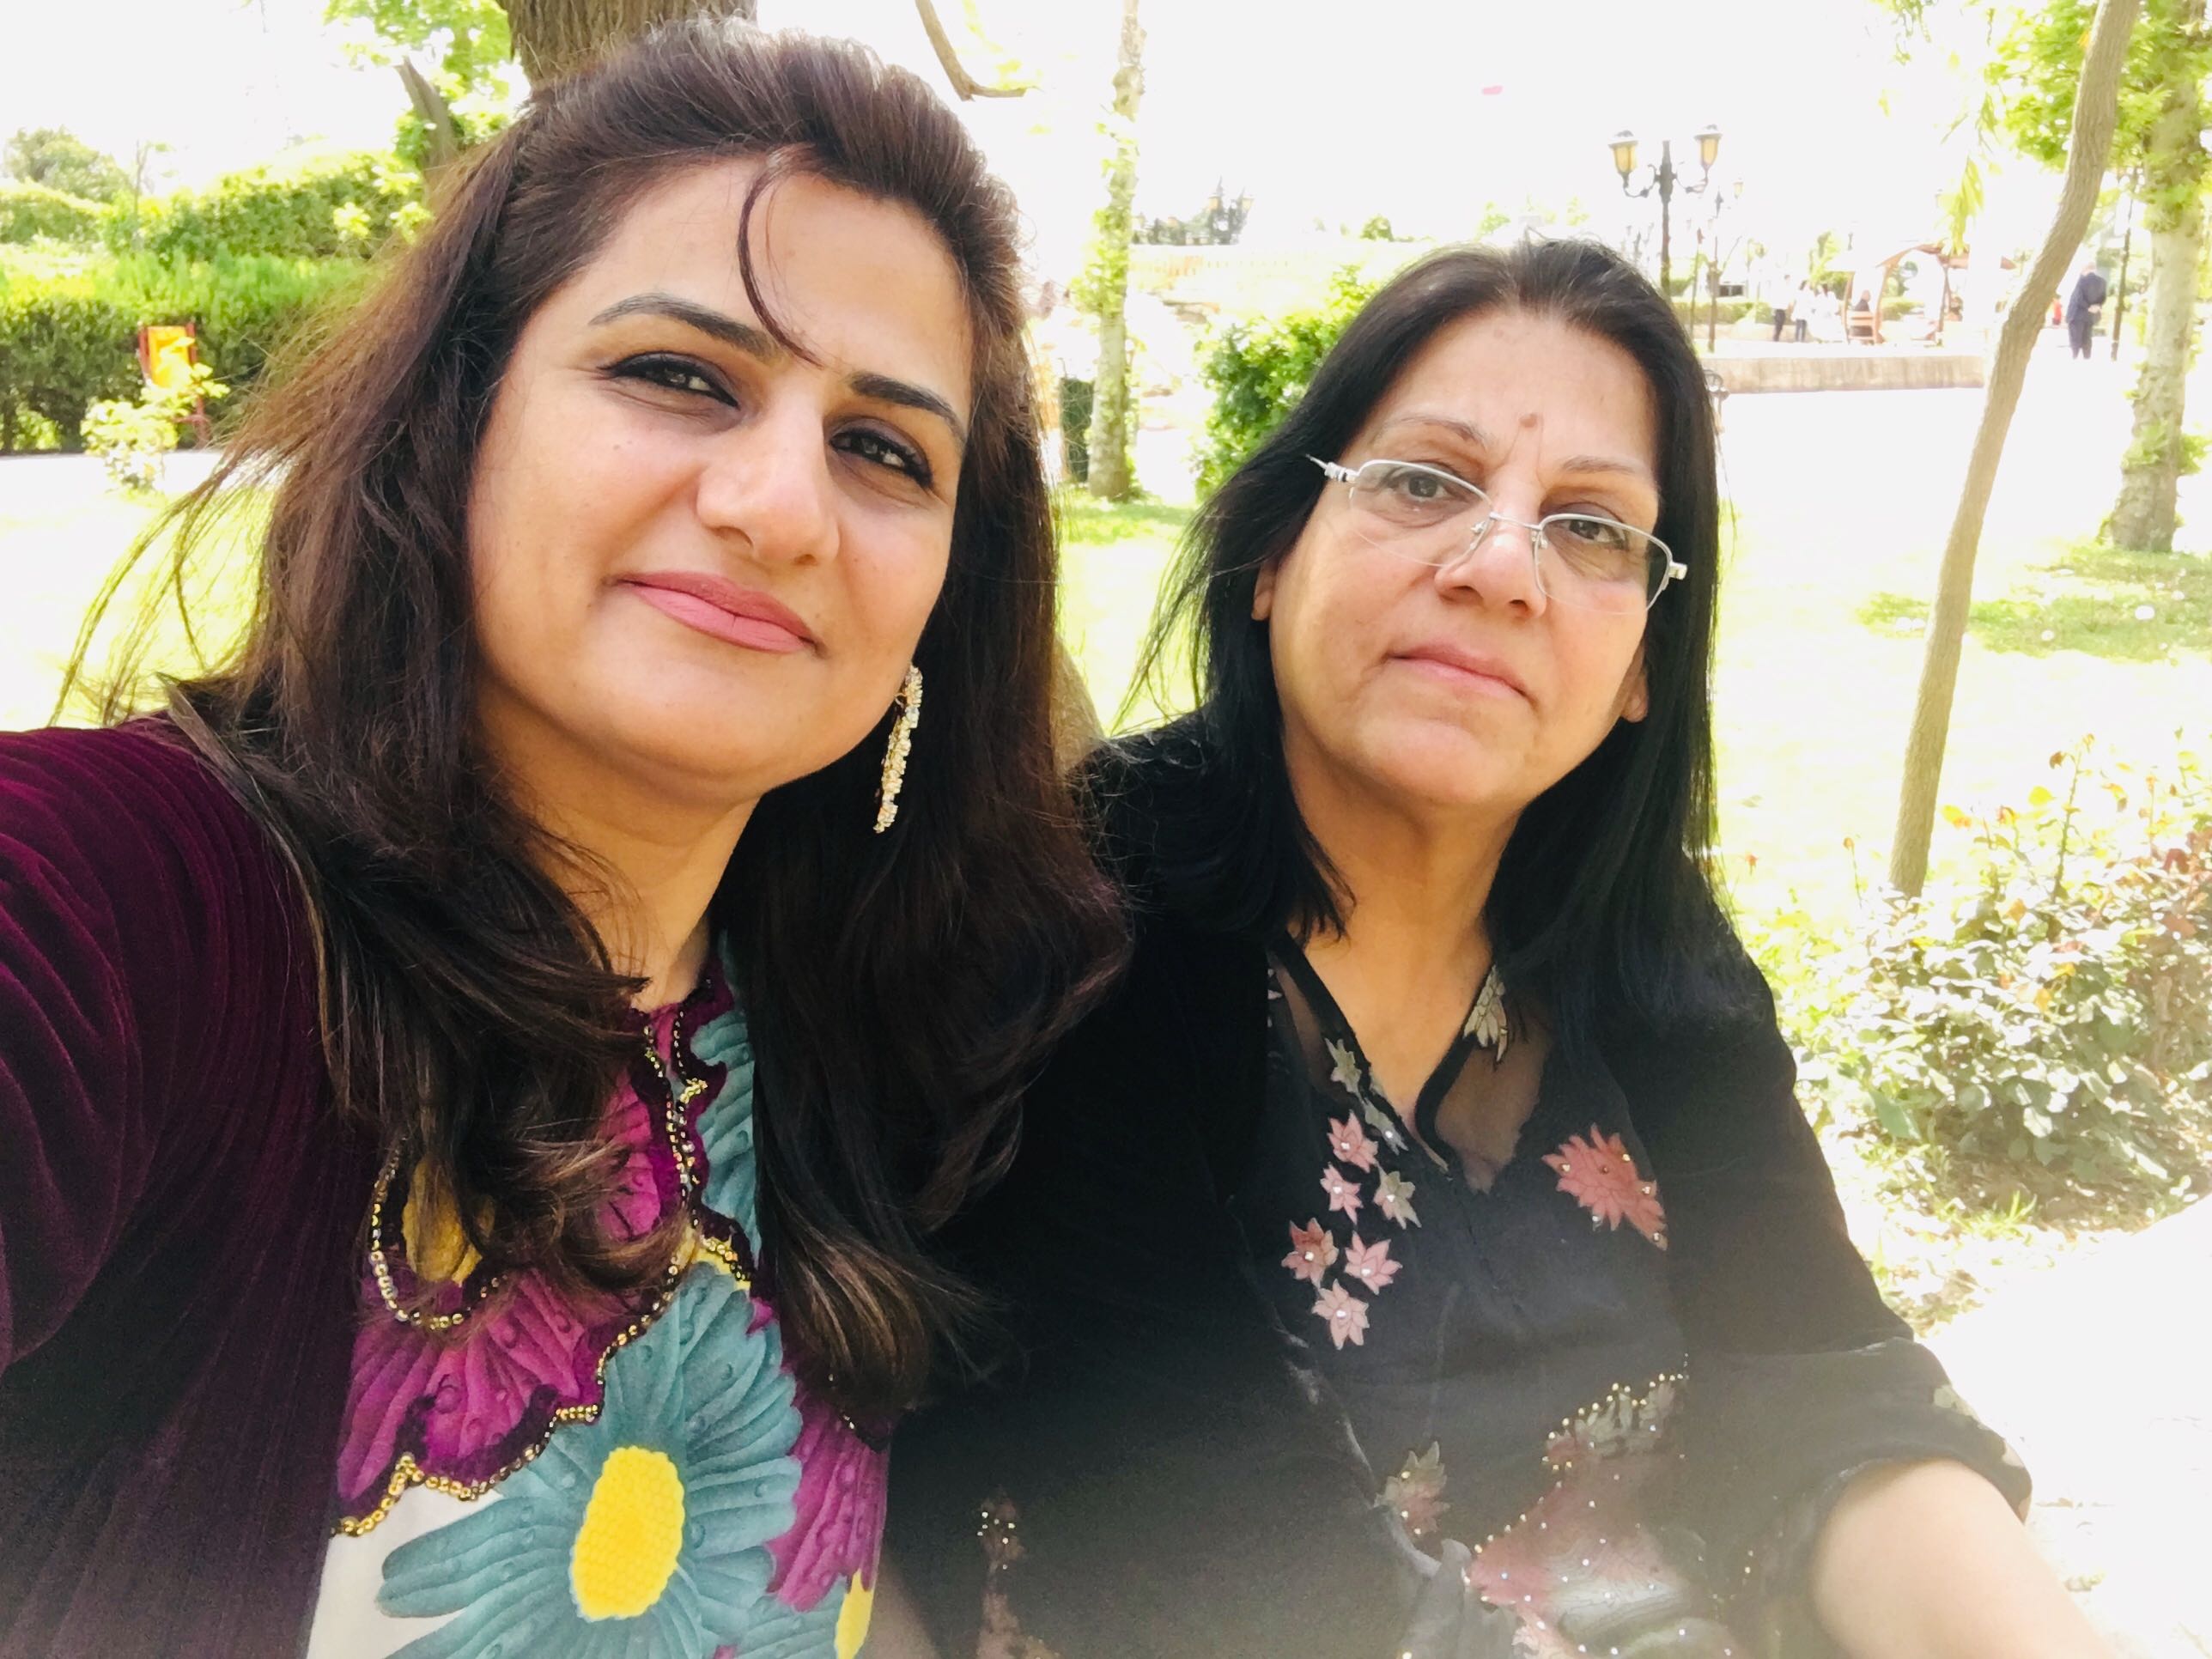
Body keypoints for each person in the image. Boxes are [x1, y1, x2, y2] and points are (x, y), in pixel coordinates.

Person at [0, 22, 1119, 1657]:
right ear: (456, 415)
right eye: (678, 374)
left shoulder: (866, 1028)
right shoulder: (134, 908)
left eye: (884, 448)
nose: (780, 505)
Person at [879, 241, 2106, 1659]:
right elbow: (1203, 1544)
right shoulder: (1079, 936)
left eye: (1591, 527)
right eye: (1422, 482)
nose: (1499, 567)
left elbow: (1822, 1377)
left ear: (1644, 658)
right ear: (1273, 556)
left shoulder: (1649, 954)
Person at [2066, 264, 2109, 359]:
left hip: (2077, 315)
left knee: (2075, 339)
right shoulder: (2102, 282)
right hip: (2091, 316)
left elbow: (2078, 298)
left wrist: (2088, 307)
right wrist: (2097, 306)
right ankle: (2087, 358)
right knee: (2087, 338)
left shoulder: (2082, 280)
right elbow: (2103, 298)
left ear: (2085, 269)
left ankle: (2074, 358)